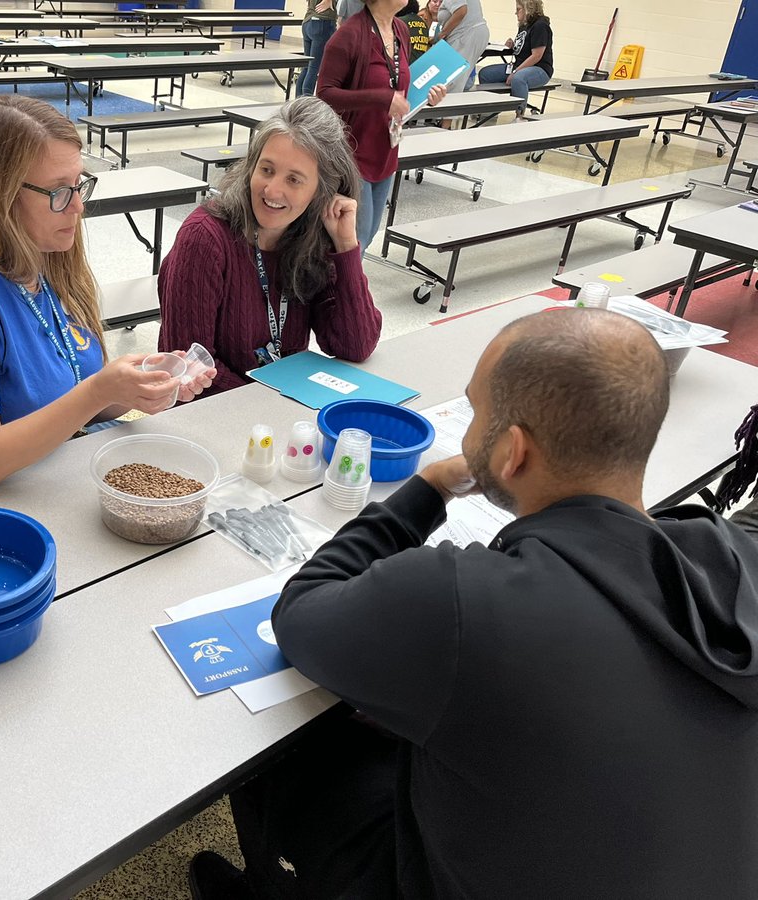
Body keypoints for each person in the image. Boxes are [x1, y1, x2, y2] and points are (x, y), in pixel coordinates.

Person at [190, 308, 758, 898]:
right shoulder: (732, 554)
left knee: (285, 741)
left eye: (474, 411)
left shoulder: (463, 597)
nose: (468, 430)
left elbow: (301, 612)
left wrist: (430, 487)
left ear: (512, 452)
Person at [0, 96, 214, 488]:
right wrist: (98, 391)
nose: (78, 207)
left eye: (79, 183)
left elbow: (75, 398)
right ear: (0, 194)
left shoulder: (45, 255)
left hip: (51, 471)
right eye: (59, 191)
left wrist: (137, 386)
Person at [156, 97, 381, 397]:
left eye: (294, 179)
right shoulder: (205, 238)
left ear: (323, 192)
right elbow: (189, 370)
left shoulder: (312, 236)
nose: (273, 190)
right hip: (220, 416)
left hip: (277, 413)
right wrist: (273, 406)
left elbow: (356, 345)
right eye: (267, 169)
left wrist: (345, 248)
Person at [317, 0, 446, 253]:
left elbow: (398, 84)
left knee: (369, 233)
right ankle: (346, 290)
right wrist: (381, 99)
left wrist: (427, 99)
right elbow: (324, 94)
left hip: (386, 148)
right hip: (353, 152)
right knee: (356, 238)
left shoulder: (400, 30)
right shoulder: (348, 35)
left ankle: (347, 286)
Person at [478, 0, 553, 121]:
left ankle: (519, 116)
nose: (515, 13)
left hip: (540, 69)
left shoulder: (540, 26)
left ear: (528, 9)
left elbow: (537, 56)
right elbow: (524, 47)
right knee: (485, 74)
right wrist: (513, 45)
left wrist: (516, 72)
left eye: (518, 9)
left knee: (519, 78)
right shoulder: (524, 25)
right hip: (519, 66)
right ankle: (490, 112)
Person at [430, 0, 489, 92]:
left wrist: (443, 33)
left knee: (452, 80)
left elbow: (461, 11)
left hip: (466, 34)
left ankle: (450, 105)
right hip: (468, 34)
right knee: (454, 79)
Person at [295, 0, 336, 97]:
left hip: (308, 21)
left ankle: (298, 102)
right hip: (322, 22)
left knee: (307, 66)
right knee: (313, 68)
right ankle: (306, 102)